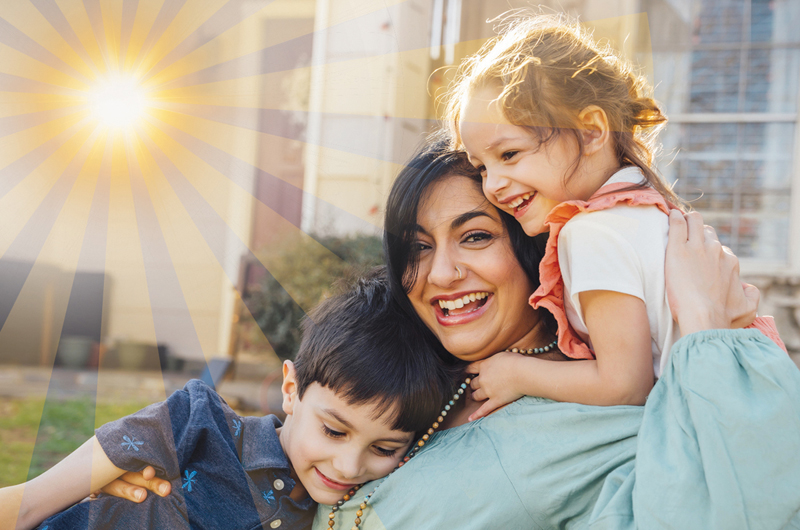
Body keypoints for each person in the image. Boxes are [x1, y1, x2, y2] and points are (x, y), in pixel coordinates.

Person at [94, 140, 799, 529]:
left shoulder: (603, 404)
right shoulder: (417, 382)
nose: (441, 273)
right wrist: (173, 477)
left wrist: (708, 335)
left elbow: (746, 502)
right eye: (417, 245)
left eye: (476, 235)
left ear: (535, 255)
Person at [440, 13, 787, 415]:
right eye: (482, 167)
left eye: (510, 154)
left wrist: (517, 374)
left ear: (590, 131)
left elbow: (624, 384)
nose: (493, 184)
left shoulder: (592, 233)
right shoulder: (641, 207)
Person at [0, 271, 455, 530]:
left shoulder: (338, 514)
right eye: (333, 430)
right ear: (291, 389)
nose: (349, 466)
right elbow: (27, 506)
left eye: (384, 448)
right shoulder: (198, 424)